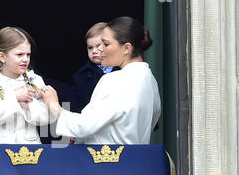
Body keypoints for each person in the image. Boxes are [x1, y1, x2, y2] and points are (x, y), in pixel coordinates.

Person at [40, 16, 161, 145]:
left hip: (106, 162)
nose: (100, 49)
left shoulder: (114, 80)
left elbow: (84, 126)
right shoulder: (150, 80)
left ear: (127, 48)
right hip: (136, 161)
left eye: (106, 44)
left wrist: (54, 106)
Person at [0, 26, 52, 144]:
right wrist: (14, 97)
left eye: (28, 54)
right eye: (19, 54)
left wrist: (27, 104)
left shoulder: (36, 80)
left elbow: (46, 117)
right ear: (2, 56)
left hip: (30, 148)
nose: (25, 59)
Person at [69, 22, 117, 114]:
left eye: (99, 46)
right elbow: (71, 103)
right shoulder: (81, 76)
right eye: (90, 48)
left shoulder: (122, 69)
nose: (94, 51)